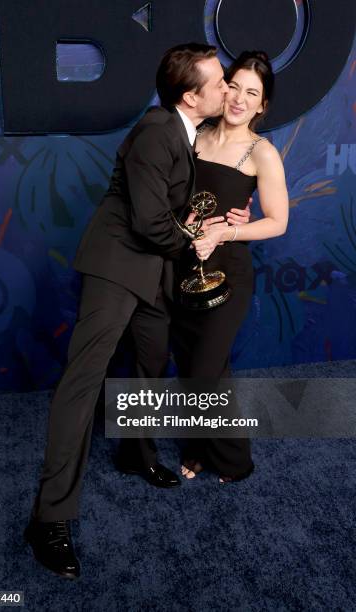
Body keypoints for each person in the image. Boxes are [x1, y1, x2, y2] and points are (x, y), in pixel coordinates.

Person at [24, 43, 251, 580]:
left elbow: (178, 208)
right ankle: (48, 519)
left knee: (150, 361)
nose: (227, 88)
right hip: (117, 266)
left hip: (152, 272)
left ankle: (134, 450)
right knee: (82, 386)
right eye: (219, 82)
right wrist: (197, 241)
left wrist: (225, 221)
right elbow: (151, 224)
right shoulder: (156, 131)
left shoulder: (188, 132)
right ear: (191, 96)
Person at [170, 51, 289, 483]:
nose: (239, 98)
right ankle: (202, 449)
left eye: (251, 93)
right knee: (195, 369)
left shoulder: (263, 153)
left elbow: (278, 222)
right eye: (233, 86)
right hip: (182, 266)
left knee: (205, 370)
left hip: (228, 273)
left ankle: (236, 462)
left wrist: (227, 232)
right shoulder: (194, 133)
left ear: (262, 106)